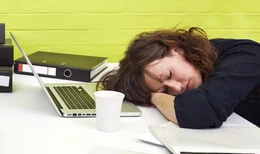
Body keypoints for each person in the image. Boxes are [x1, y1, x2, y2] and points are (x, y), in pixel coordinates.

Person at [99, 27, 260, 128]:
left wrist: (154, 96)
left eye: (169, 74)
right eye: (166, 89)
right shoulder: (203, 68)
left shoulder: (244, 55)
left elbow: (202, 111)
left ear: (176, 50)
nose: (176, 88)